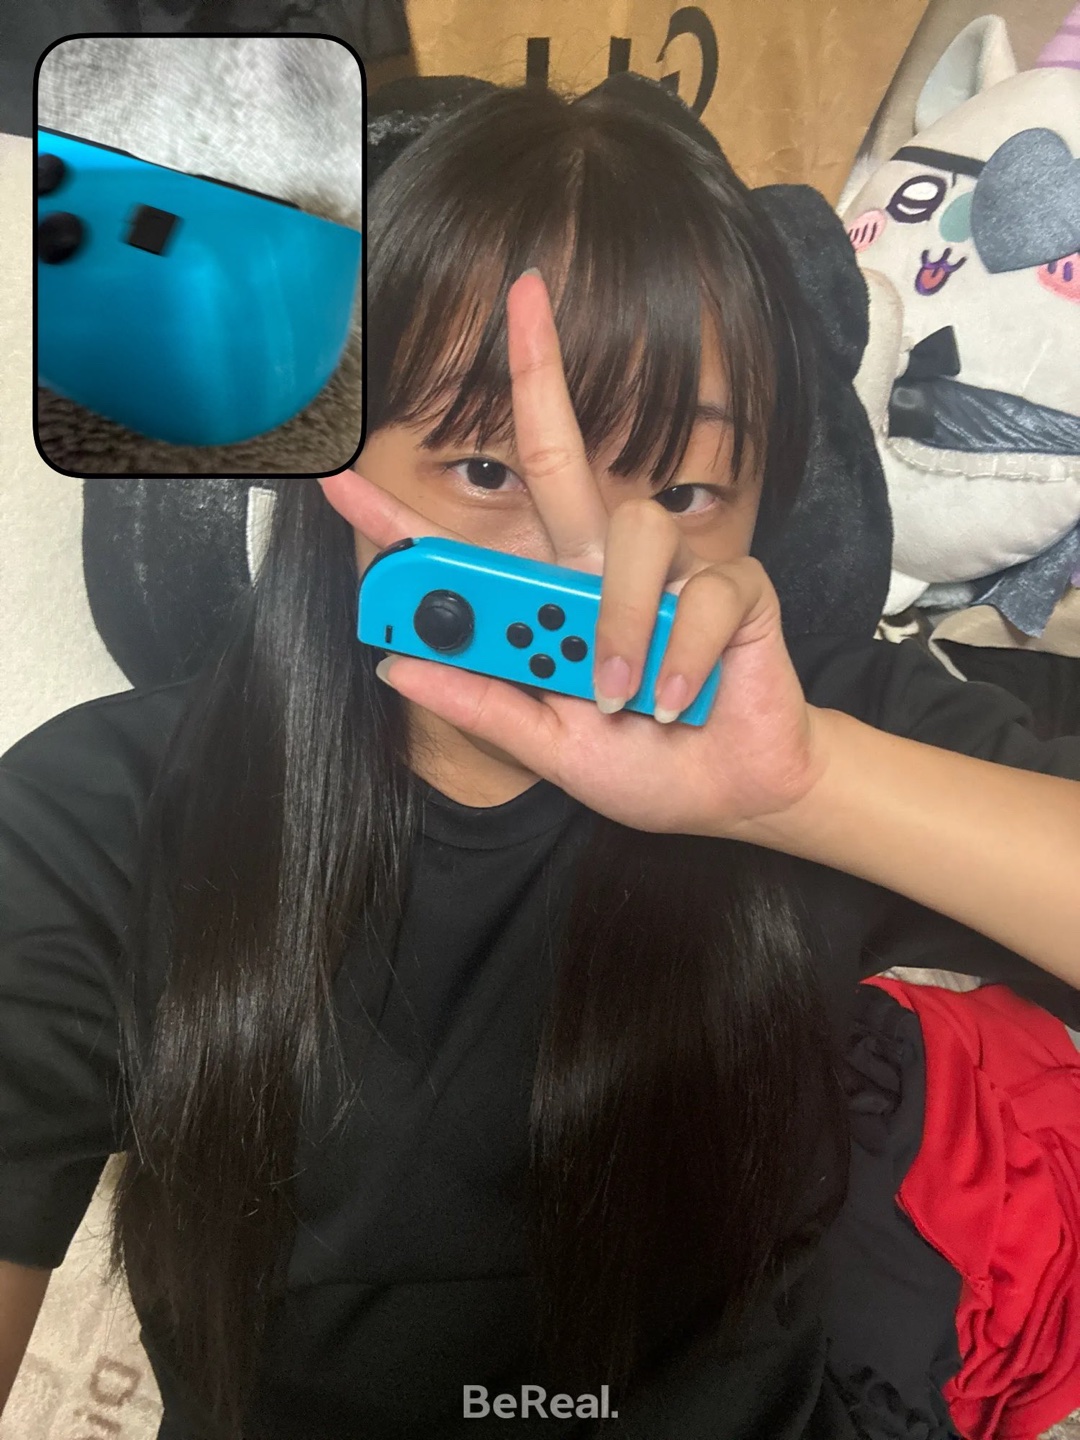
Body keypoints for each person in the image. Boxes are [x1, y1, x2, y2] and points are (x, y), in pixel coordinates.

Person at [1, 75, 1078, 1440]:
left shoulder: (820, 733)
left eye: (683, 489)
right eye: (486, 471)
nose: (592, 570)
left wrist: (811, 792)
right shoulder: (96, 819)